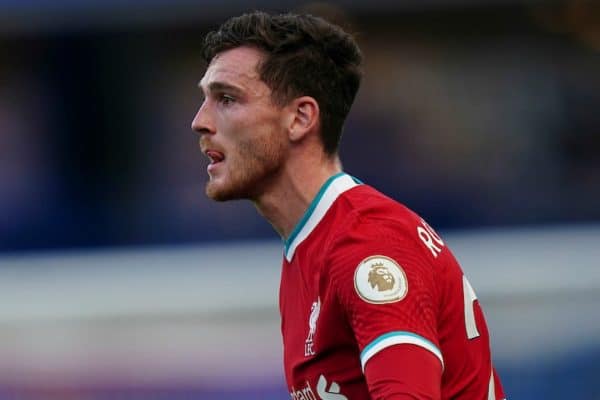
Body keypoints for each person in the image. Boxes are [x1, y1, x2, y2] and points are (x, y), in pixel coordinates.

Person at [191, 11, 506, 400]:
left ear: (300, 118)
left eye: (226, 98)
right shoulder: (310, 249)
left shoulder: (367, 244)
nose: (200, 121)